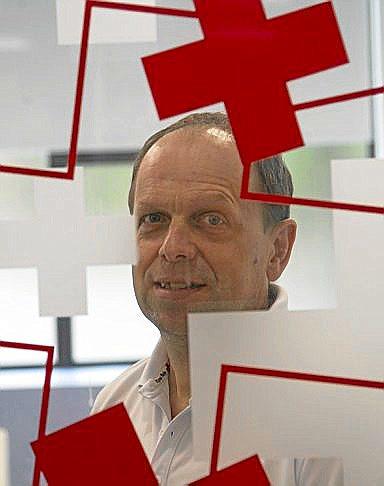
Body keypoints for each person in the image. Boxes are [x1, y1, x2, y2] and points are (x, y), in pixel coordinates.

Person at [91, 112, 343, 485]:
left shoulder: (336, 417)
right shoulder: (113, 406)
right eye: (154, 218)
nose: (173, 248)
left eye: (210, 219)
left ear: (277, 250)